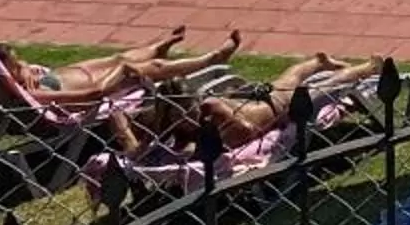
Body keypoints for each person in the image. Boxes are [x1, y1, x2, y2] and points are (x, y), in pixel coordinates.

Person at [116, 54, 384, 156]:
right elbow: (122, 123)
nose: (187, 117)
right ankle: (318, 61)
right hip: (249, 100)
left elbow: (246, 131)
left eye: (188, 110)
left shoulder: (210, 108)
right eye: (179, 113)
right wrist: (129, 141)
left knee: (323, 85)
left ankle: (367, 67)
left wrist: (212, 139)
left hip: (276, 108)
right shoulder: (166, 121)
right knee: (288, 79)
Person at [0, 29, 241, 108]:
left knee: (119, 56)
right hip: (97, 85)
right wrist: (118, 76)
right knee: (144, 67)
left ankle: (158, 46)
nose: (22, 64)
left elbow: (21, 67)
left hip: (80, 71)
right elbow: (89, 96)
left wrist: (26, 70)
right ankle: (213, 59)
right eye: (16, 65)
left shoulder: (12, 81)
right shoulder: (31, 95)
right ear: (7, 72)